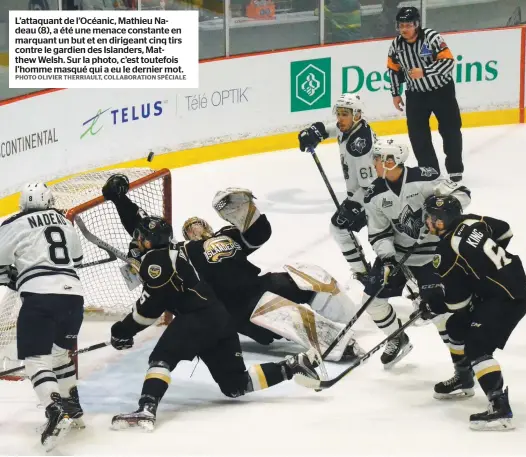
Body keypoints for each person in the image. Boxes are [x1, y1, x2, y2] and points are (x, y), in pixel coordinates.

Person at [101, 175, 364, 362]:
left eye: (199, 224)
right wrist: (120, 200)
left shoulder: (228, 236)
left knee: (307, 275)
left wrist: (246, 211)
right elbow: (145, 227)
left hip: (260, 284)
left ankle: (352, 315)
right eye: (189, 228)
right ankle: (341, 345)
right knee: (285, 313)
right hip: (237, 308)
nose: (196, 229)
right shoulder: (179, 255)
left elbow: (260, 233)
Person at [109, 216, 320, 431]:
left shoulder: (156, 261)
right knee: (235, 385)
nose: (137, 240)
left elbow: (148, 310)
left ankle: (146, 408)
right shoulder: (170, 254)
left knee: (162, 358)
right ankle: (295, 366)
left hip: (198, 317)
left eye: (140, 237)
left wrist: (121, 331)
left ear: (149, 240)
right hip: (221, 319)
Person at [414, 195, 526, 430]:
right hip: (512, 281)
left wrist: (435, 304)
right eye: (428, 217)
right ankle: (464, 378)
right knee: (456, 326)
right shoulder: (471, 221)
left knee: (477, 347)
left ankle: (499, 408)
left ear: (445, 220)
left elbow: (458, 303)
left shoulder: (446, 251)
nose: (428, 222)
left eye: (433, 218)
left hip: (506, 298)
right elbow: (504, 231)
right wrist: (482, 267)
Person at [360, 139, 471, 368]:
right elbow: (379, 232)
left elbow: (463, 193)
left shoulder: (425, 177)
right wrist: (388, 259)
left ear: (392, 161)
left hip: (432, 253)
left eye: (379, 158)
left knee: (438, 311)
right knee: (372, 302)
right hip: (399, 254)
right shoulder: (374, 193)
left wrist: (444, 210)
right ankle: (397, 338)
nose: (375, 162)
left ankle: (464, 363)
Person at [0, 183, 85, 451]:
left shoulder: (13, 224)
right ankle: (73, 407)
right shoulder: (64, 220)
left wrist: (12, 276)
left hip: (39, 297)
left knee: (36, 361)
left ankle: (54, 409)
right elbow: (78, 259)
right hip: (74, 297)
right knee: (60, 354)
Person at [298, 93, 376, 283]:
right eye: (339, 113)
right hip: (364, 195)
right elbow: (332, 129)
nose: (340, 119)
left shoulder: (360, 146)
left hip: (373, 199)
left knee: (345, 229)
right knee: (340, 227)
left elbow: (370, 187)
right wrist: (315, 132)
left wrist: (354, 206)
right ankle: (364, 272)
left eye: (344, 114)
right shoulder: (351, 127)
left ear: (356, 115)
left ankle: (366, 273)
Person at [387, 6, 464, 182]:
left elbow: (449, 63)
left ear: (416, 24)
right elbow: (393, 70)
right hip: (415, 95)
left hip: (441, 91)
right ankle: (429, 170)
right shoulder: (396, 45)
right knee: (417, 134)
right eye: (401, 25)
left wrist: (425, 71)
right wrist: (395, 93)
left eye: (407, 25)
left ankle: (454, 169)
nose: (404, 29)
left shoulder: (432, 38)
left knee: (450, 130)